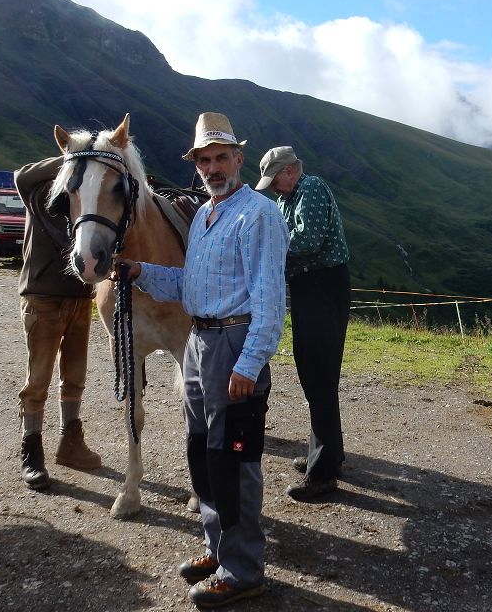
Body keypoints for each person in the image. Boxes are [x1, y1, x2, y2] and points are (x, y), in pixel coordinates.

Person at [118, 112, 288, 609]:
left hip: (234, 343)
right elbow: (188, 286)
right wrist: (140, 271)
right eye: (204, 161)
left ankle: (243, 571)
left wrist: (249, 363)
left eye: (221, 158)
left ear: (239, 159)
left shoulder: (258, 214)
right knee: (204, 453)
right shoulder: (205, 216)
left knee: (235, 459)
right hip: (199, 341)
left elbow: (269, 298)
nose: (213, 168)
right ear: (196, 166)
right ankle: (218, 549)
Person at [255, 147, 350, 502]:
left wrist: (264, 250)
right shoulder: (286, 199)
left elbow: (308, 239)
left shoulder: (311, 187)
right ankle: (327, 454)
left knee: (319, 373)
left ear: (290, 171)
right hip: (308, 287)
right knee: (314, 373)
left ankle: (323, 473)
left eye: (275, 179)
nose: (273, 187)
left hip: (323, 286)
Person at [14, 157, 101, 490]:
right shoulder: (36, 189)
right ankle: (31, 450)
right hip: (42, 296)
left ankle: (70, 443)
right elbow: (20, 175)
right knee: (38, 380)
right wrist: (73, 157)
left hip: (80, 296)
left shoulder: (82, 195)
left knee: (75, 377)